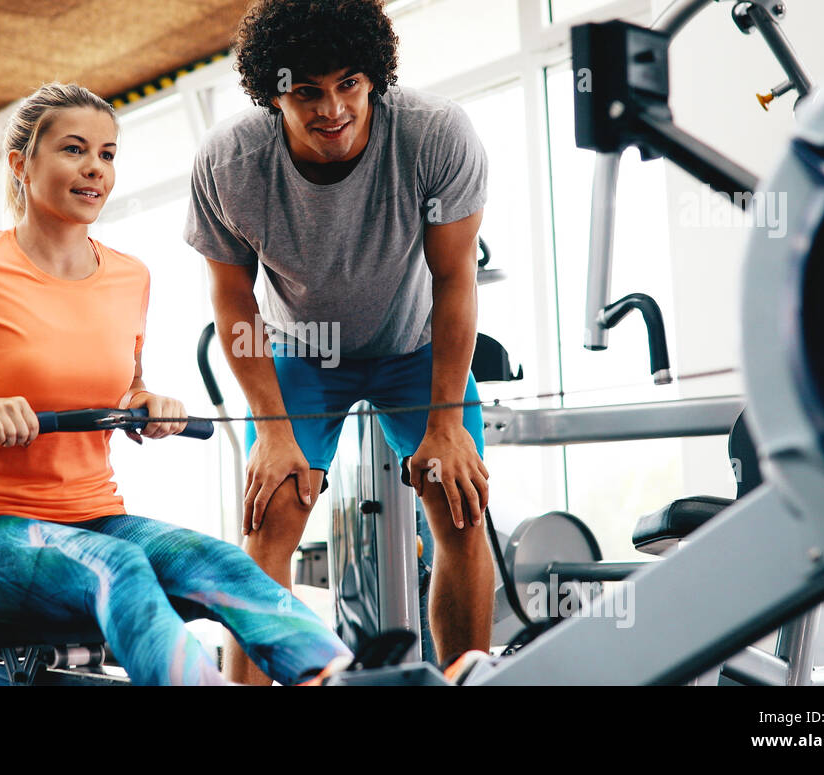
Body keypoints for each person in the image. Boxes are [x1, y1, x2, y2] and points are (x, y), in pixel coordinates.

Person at [0, 82, 352, 686]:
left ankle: (337, 676)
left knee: (221, 562)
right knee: (118, 566)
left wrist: (144, 403)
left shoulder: (130, 277)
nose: (95, 170)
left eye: (107, 155)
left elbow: (127, 386)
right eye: (74, 150)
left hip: (96, 517)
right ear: (21, 163)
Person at [185, 0, 493, 684]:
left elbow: (454, 278)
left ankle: (468, 678)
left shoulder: (435, 133)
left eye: (349, 84)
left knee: (460, 501)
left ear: (374, 77)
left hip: (414, 343)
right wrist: (270, 429)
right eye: (307, 93)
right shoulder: (231, 162)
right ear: (273, 93)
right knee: (272, 517)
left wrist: (445, 424)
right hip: (300, 352)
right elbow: (233, 298)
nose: (332, 109)